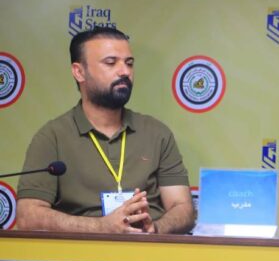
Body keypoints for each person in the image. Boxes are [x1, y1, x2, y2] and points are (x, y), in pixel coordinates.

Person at [16, 27, 195, 234]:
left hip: (147, 249)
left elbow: (182, 208)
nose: (124, 71)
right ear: (79, 72)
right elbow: (28, 215)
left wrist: (155, 228)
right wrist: (100, 227)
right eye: (111, 63)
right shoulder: (52, 137)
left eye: (129, 63)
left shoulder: (157, 133)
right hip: (82, 252)